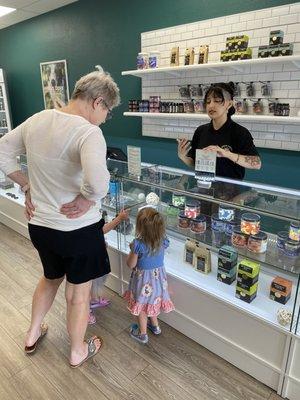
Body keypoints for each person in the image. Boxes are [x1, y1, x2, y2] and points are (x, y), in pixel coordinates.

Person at [0, 69, 120, 368]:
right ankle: (78, 350)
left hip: (41, 225)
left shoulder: (38, 119)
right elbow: (100, 184)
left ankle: (31, 334)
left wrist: (26, 184)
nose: (105, 118)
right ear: (98, 102)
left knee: (50, 278)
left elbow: (2, 152)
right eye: (108, 111)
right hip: (77, 230)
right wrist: (87, 198)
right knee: (78, 295)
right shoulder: (89, 132)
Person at [177, 82, 261, 180]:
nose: (211, 105)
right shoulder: (200, 131)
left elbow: (257, 163)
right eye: (208, 102)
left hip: (232, 192)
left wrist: (226, 153)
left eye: (217, 100)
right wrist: (183, 157)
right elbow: (195, 164)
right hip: (204, 189)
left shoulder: (240, 132)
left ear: (229, 104)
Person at [124, 207, 174, 344]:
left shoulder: (137, 244)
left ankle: (143, 334)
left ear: (140, 227)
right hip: (158, 282)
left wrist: (132, 250)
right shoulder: (163, 241)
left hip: (143, 283)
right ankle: (156, 327)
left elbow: (131, 264)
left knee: (142, 307)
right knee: (152, 303)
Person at [89, 208, 130, 324]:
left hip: (97, 253)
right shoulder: (83, 218)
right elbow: (101, 230)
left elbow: (99, 231)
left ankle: (93, 299)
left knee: (97, 279)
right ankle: (85, 311)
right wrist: (119, 219)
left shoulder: (91, 214)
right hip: (88, 256)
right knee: (86, 284)